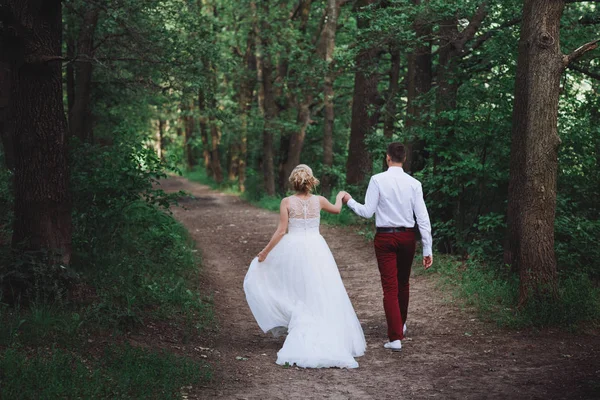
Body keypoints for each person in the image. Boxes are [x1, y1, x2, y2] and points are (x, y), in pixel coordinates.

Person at [244, 164, 366, 368]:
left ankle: (301, 324)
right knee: (320, 288)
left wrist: (265, 252)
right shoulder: (319, 201)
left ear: (294, 182)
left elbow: (281, 231)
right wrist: (340, 195)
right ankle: (324, 329)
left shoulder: (287, 202)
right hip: (317, 248)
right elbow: (336, 210)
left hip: (294, 248)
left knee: (295, 288)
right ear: (310, 181)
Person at [343, 142, 433, 352]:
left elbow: (367, 212)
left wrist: (349, 200)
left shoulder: (377, 180)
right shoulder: (414, 184)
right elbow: (423, 218)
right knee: (403, 284)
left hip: (385, 238)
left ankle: (395, 337)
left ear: (387, 158)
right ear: (404, 159)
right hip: (407, 238)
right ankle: (399, 325)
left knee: (390, 288)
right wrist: (427, 249)